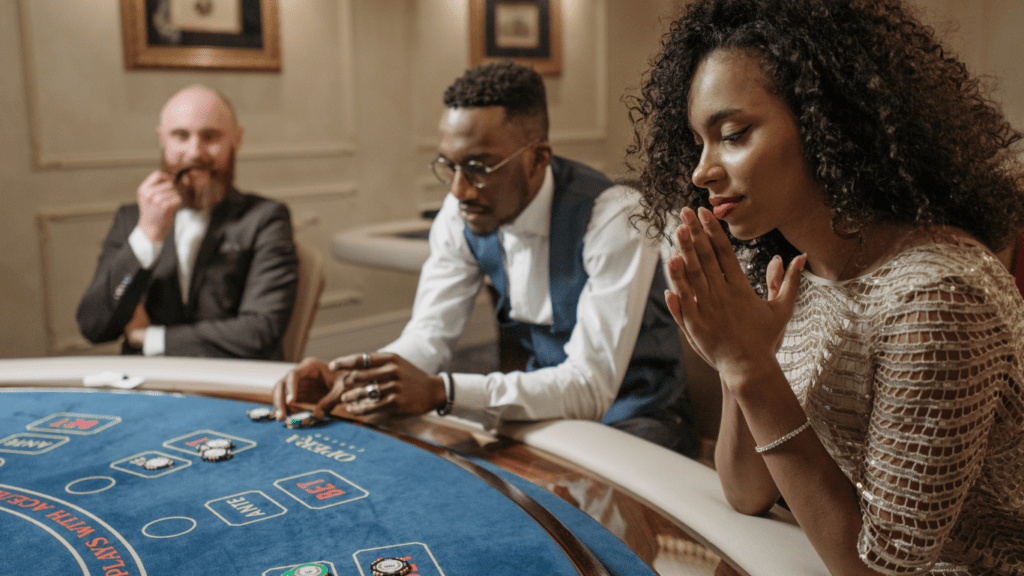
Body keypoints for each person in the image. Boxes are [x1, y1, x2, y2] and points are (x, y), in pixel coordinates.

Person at [626, 0, 1024, 573]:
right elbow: (746, 491)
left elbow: (883, 571)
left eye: (733, 134)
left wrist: (750, 367)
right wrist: (745, 359)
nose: (701, 171)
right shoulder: (796, 271)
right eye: (698, 143)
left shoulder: (936, 299)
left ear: (824, 123)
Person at [274, 61, 697, 456]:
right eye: (450, 165)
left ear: (537, 158)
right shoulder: (461, 212)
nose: (458, 190)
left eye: (478, 166)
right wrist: (353, 376)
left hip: (638, 417)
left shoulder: (616, 217)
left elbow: (589, 388)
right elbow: (428, 338)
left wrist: (443, 391)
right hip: (546, 411)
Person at [77, 85, 298, 359]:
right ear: (162, 139)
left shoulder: (266, 218)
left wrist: (150, 338)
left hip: (234, 383)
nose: (195, 152)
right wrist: (147, 235)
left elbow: (259, 333)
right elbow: (94, 327)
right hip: (149, 385)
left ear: (237, 140)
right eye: (180, 136)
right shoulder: (131, 219)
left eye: (210, 136)